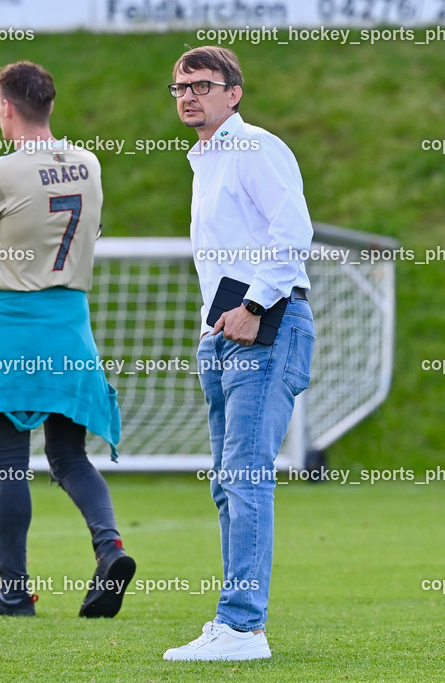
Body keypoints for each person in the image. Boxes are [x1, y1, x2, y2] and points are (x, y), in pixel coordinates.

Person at [0, 61, 134, 619]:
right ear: (49, 105)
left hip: (12, 322)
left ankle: (14, 590)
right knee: (69, 454)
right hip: (70, 322)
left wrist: (0, 252)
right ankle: (109, 548)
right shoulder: (89, 164)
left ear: (6, 106)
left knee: (8, 461)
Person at [161, 47, 316, 662]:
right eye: (178, 88)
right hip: (224, 332)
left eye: (202, 84)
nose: (188, 95)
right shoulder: (205, 160)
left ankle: (244, 627)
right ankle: (234, 621)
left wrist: (253, 307)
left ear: (234, 92)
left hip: (268, 325)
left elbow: (292, 233)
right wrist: (223, 324)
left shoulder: (254, 148)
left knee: (245, 477)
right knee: (229, 482)